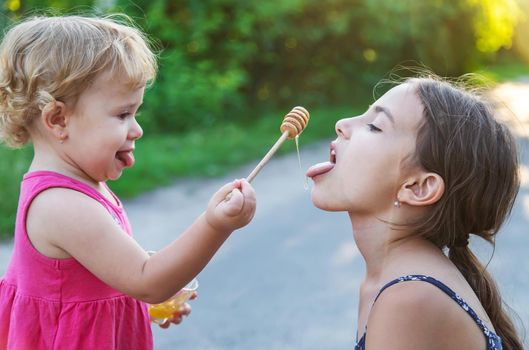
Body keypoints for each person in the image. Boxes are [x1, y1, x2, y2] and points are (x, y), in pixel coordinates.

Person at [0, 15, 256, 349]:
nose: (137, 130)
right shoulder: (61, 204)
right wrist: (217, 224)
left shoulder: (80, 186)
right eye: (123, 115)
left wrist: (138, 305)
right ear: (59, 119)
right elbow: (147, 279)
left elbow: (82, 291)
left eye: (135, 113)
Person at [306, 75, 523, 349]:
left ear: (418, 187)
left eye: (374, 126)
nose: (342, 125)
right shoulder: (394, 282)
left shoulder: (408, 297)